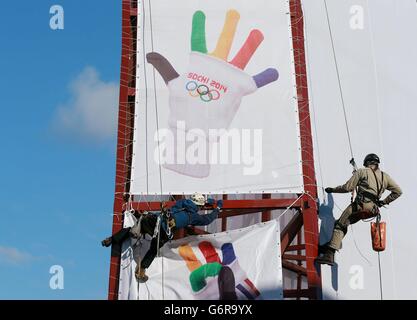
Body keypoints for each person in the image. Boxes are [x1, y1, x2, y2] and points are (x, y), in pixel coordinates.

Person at [101, 193, 223, 282]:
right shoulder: (193, 216)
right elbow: (207, 219)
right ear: (199, 206)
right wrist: (217, 209)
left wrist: (206, 201)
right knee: (153, 250)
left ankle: (112, 239)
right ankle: (141, 270)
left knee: (133, 229)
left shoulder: (181, 203)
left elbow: (193, 202)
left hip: (153, 220)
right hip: (162, 231)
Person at [316, 153, 402, 266]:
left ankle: (329, 254)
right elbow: (398, 191)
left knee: (340, 225)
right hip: (372, 210)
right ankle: (330, 246)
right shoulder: (385, 177)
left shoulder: (362, 171)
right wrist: (383, 202)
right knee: (343, 223)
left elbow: (348, 188)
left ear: (367, 163)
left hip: (361, 205)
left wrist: (332, 190)